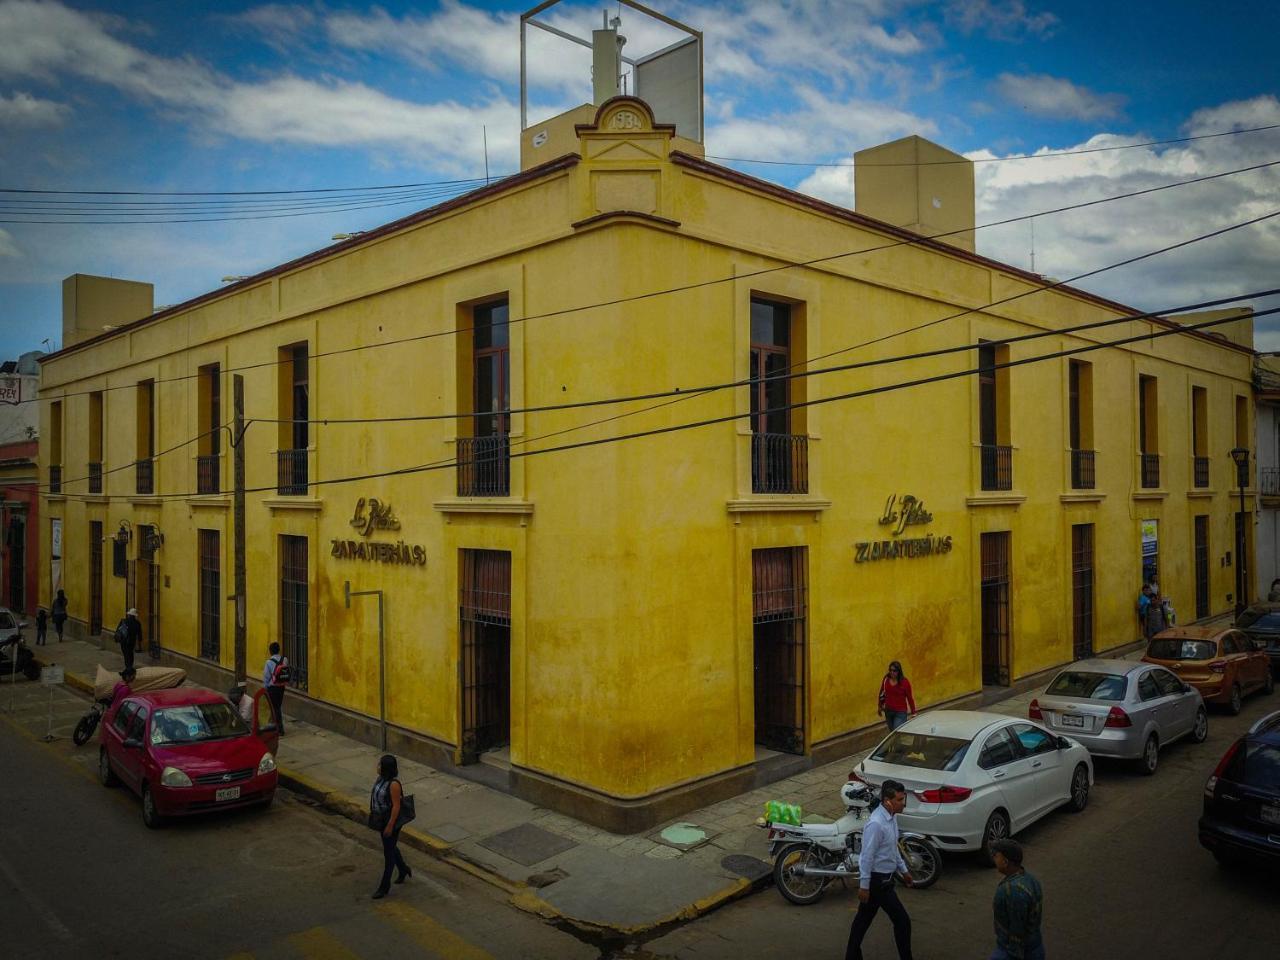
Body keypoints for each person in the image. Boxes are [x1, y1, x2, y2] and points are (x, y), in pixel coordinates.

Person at [846, 779, 914, 960]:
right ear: (887, 801)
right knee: (902, 922)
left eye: (903, 798)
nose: (903, 803)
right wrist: (864, 886)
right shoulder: (876, 824)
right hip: (878, 882)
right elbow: (867, 857)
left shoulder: (891, 818)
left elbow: (892, 848)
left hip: (885, 878)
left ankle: (851, 955)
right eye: (899, 800)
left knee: (862, 920)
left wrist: (904, 871)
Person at [989, 838, 1044, 960]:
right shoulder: (1031, 880)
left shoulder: (1011, 891)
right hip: (1035, 945)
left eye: (996, 855)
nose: (993, 858)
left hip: (1013, 951)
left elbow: (1017, 931)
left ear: (1005, 861)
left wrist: (1013, 954)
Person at [369, 754, 411, 899]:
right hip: (381, 819)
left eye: (380, 764)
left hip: (390, 821)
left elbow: (396, 807)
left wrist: (390, 826)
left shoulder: (393, 785)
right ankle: (403, 869)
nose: (377, 766)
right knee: (391, 847)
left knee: (389, 854)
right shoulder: (380, 779)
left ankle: (384, 887)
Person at [877, 661, 916, 731]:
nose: (892, 672)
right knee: (892, 733)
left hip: (900, 712)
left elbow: (910, 698)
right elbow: (882, 693)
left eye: (894, 670)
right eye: (890, 670)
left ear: (899, 671)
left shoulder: (904, 682)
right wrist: (880, 706)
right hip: (888, 711)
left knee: (897, 731)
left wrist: (913, 713)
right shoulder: (886, 679)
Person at [263, 642, 289, 735]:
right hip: (281, 686)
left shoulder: (268, 662)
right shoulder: (284, 659)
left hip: (272, 688)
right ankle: (276, 727)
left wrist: (265, 688)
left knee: (274, 708)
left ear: (270, 651)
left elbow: (266, 677)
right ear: (279, 650)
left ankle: (278, 729)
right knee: (277, 706)